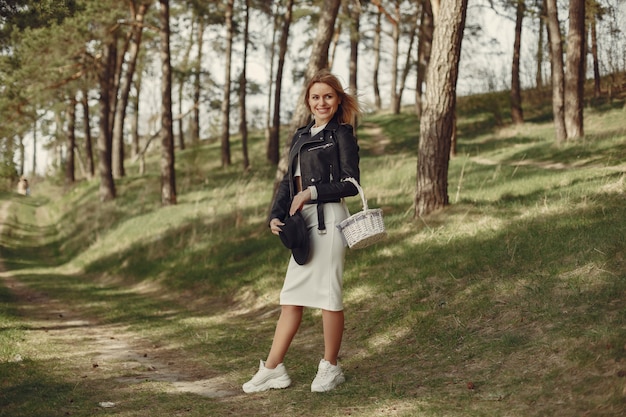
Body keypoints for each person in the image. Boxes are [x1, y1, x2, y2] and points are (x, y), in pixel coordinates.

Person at [243, 69, 362, 393]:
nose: (321, 102)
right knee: (291, 299)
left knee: (328, 296)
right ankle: (272, 369)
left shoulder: (342, 134)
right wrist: (275, 214)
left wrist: (312, 193)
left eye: (328, 96)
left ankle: (331, 366)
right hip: (302, 223)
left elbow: (351, 184)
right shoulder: (300, 135)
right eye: (315, 97)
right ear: (308, 101)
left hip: (329, 220)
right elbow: (287, 182)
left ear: (337, 100)